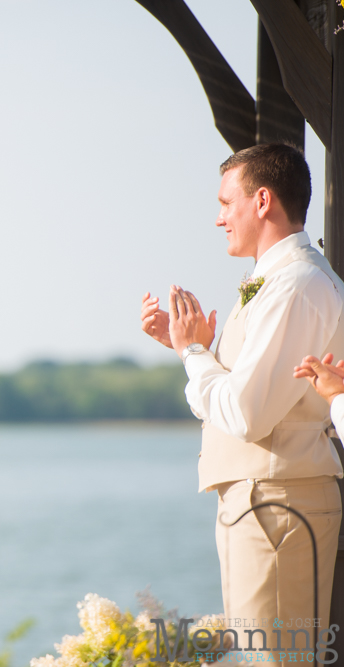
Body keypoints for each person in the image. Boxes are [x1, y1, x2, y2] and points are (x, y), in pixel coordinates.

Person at [140, 144, 344, 659]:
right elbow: (252, 394)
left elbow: (247, 415)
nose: (218, 218)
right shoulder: (280, 280)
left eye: (225, 203)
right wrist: (190, 349)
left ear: (261, 200)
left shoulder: (295, 285)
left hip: (276, 504)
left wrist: (193, 353)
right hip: (268, 502)